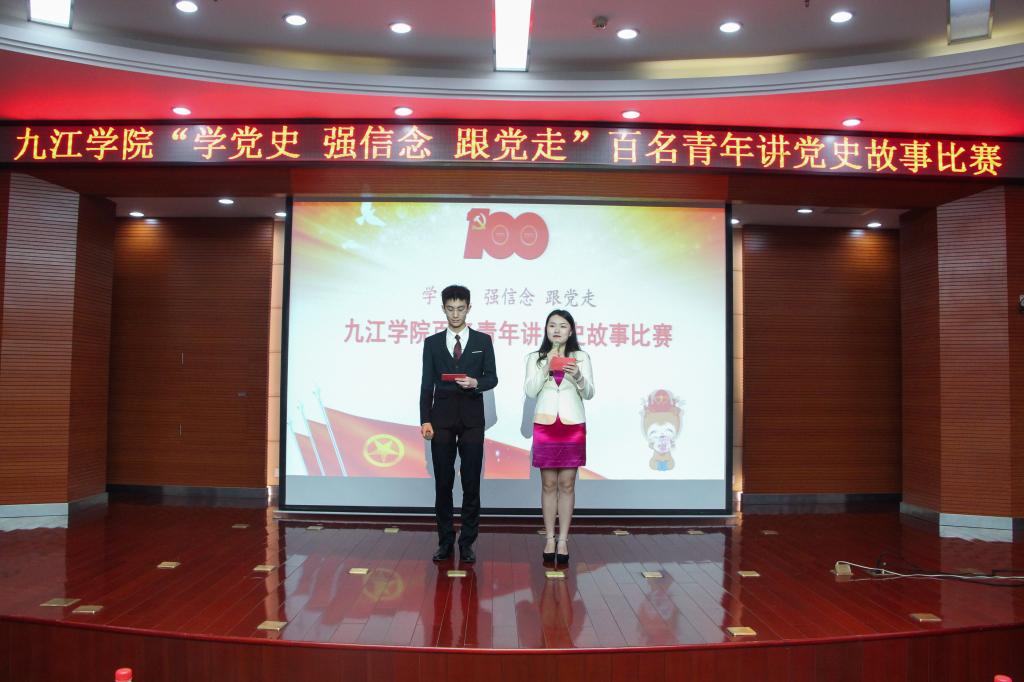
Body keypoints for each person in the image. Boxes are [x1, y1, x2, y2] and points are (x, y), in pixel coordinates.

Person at [420, 285, 498, 564]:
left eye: (460, 309)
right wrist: (425, 419)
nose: (455, 314)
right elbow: (426, 384)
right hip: (440, 420)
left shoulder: (482, 341)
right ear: (443, 308)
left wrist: (476, 382)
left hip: (472, 420)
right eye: (450, 309)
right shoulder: (432, 343)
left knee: (471, 482)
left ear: (469, 308)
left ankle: (467, 543)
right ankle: (444, 542)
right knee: (443, 483)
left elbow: (492, 377)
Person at [524, 309, 594, 564]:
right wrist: (546, 367)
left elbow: (589, 393)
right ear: (546, 329)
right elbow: (530, 391)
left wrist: (578, 376)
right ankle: (550, 538)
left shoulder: (581, 357)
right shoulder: (535, 357)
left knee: (567, 484)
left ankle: (563, 539)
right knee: (548, 484)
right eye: (552, 325)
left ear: (571, 330)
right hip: (545, 424)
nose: (556, 330)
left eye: (562, 326)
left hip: (572, 425)